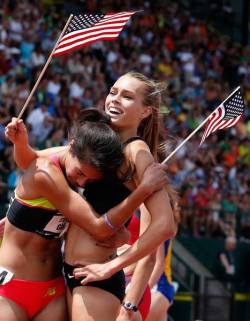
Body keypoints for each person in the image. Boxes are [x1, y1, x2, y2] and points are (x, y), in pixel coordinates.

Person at [6, 72, 177, 321]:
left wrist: (112, 266)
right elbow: (36, 160)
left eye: (128, 97)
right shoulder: (101, 140)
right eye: (113, 92)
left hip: (96, 277)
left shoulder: (137, 151)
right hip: (68, 273)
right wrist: (19, 143)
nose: (115, 100)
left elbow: (166, 225)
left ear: (145, 112)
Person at [145, 239, 176, 321]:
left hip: (158, 286)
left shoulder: (157, 227)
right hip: (157, 286)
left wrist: (142, 292)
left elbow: (159, 264)